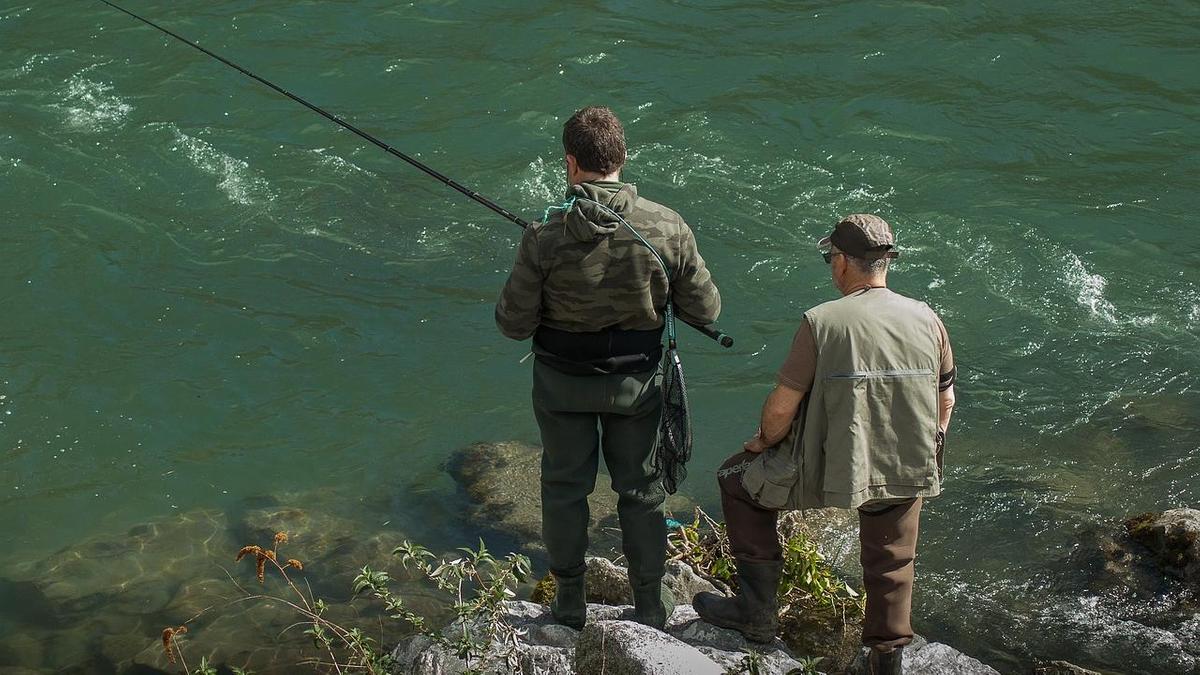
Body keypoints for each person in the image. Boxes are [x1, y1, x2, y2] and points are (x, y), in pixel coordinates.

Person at [692, 214, 956, 674]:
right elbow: (946, 399)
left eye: (829, 257)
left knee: (736, 481)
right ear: (884, 262)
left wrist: (763, 442)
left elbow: (781, 409)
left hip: (825, 466)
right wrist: (924, 447)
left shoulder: (822, 321)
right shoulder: (928, 319)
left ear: (842, 264)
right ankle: (886, 659)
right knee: (891, 557)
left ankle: (756, 615)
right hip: (904, 463)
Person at [496, 105, 721, 630]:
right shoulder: (668, 227)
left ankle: (569, 602)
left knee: (564, 488)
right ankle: (649, 604)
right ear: (623, 157)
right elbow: (706, 310)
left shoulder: (544, 235)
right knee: (641, 492)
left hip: (561, 385)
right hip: (637, 386)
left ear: (571, 163)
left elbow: (512, 323)